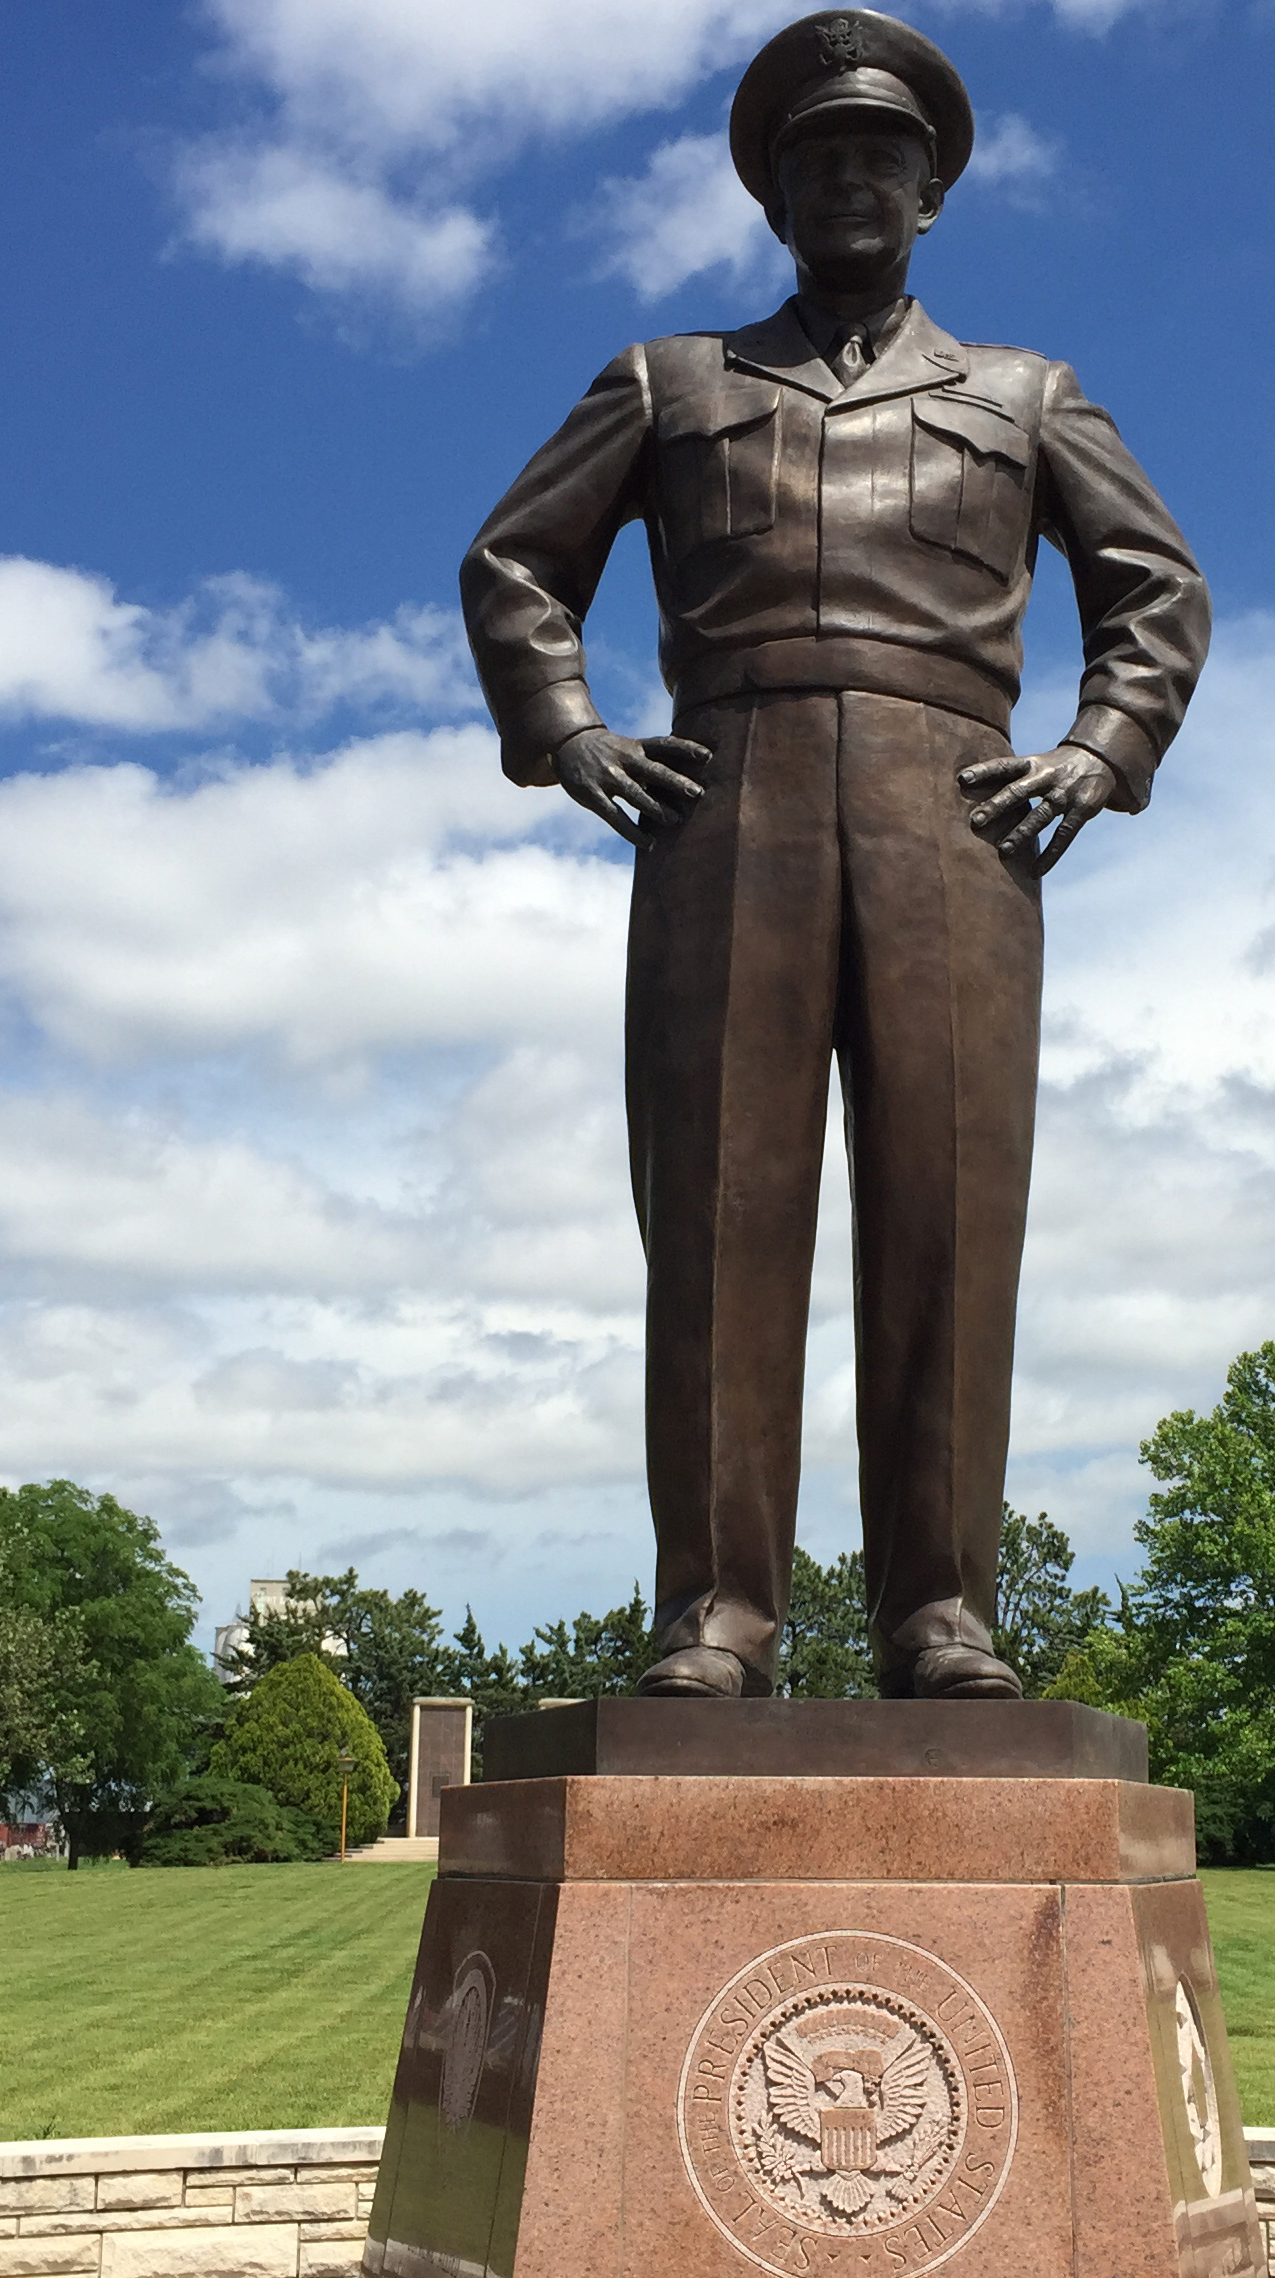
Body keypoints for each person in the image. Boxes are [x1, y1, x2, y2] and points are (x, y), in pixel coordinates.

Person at [461, 9, 1209, 1698]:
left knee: (948, 1212)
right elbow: (516, 565)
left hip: (958, 815)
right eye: (818, 160)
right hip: (729, 800)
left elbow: (1156, 589)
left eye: (882, 156)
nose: (852, 179)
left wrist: (1101, 749)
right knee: (722, 1215)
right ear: (773, 196)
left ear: (931, 194)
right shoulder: (673, 382)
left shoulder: (1025, 396)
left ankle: (942, 1614)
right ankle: (716, 1616)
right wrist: (567, 727)